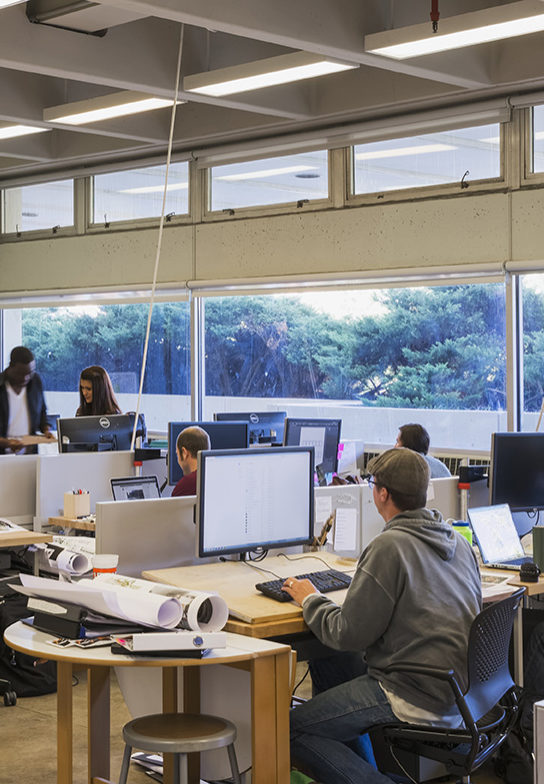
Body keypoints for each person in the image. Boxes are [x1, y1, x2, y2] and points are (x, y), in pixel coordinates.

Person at [284, 447, 482, 784]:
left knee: (287, 729)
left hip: (412, 689)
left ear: (382, 494)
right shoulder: (457, 542)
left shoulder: (388, 546)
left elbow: (348, 634)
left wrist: (311, 599)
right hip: (460, 691)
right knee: (333, 664)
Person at [0, 345, 53, 454]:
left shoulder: (36, 382)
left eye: (30, 373)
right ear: (10, 366)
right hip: (3, 454)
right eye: (21, 374)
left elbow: (43, 411)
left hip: (29, 452)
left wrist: (46, 430)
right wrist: (7, 443)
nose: (26, 378)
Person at [171, 426, 211, 497]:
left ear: (184, 453)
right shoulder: (218, 477)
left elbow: (172, 508)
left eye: (177, 454)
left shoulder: (186, 485)